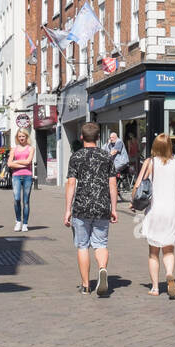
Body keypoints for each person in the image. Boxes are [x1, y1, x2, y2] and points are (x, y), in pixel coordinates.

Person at [64, 121, 117, 296]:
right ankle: (102, 268)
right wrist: (114, 208)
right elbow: (112, 184)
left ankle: (86, 285)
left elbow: (71, 184)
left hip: (81, 206)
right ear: (98, 137)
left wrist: (67, 209)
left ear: (81, 137)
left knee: (82, 246)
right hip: (102, 206)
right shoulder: (106, 156)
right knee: (101, 244)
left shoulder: (76, 157)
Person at [138, 133, 175, 299]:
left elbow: (139, 185)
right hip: (173, 211)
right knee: (169, 249)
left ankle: (154, 287)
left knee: (153, 252)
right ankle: (170, 273)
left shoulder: (150, 163)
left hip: (155, 211)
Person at [8, 128, 36, 231]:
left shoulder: (31, 148)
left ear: (26, 137)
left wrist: (16, 163)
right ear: (17, 137)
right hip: (16, 176)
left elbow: (29, 161)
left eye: (23, 136)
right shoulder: (13, 149)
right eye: (19, 136)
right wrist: (22, 164)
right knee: (16, 199)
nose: (21, 138)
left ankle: (25, 223)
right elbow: (9, 164)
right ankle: (18, 221)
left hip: (27, 176)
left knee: (26, 201)